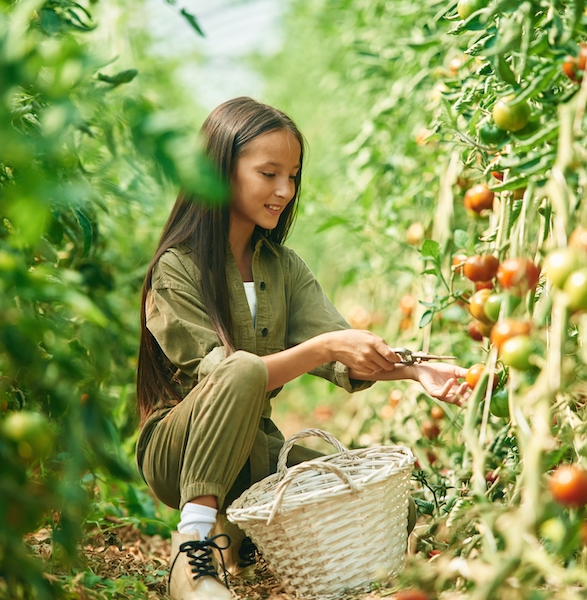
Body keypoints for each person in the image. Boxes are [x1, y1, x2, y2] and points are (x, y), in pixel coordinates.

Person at [135, 96, 468, 600]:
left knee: (395, 509)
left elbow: (343, 349)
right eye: (269, 173)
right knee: (242, 369)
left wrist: (416, 371)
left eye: (291, 175)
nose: (284, 191)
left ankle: (238, 536)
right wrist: (325, 345)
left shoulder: (282, 266)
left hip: (255, 449)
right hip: (178, 450)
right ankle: (194, 550)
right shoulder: (176, 268)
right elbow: (228, 375)